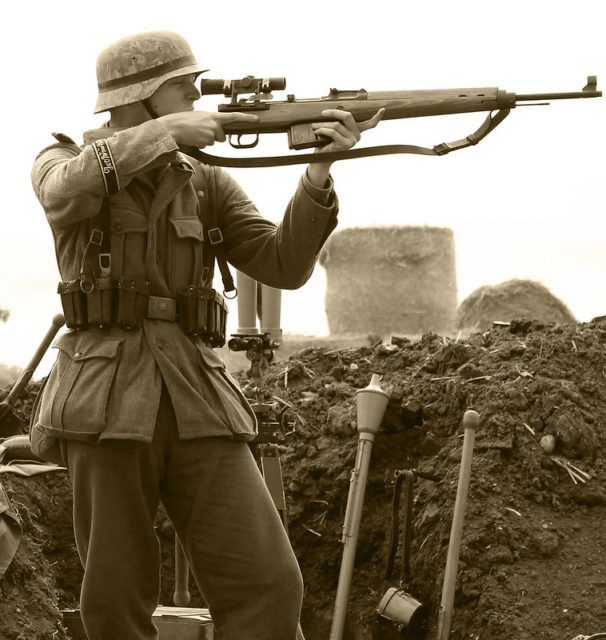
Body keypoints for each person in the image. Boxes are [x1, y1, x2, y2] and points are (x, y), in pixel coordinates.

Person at [30, 30, 382, 640]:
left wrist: (319, 172)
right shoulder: (61, 161)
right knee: (116, 597)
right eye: (183, 87)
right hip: (104, 403)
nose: (198, 96)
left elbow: (282, 264)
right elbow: (65, 193)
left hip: (198, 398)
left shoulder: (204, 179)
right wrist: (164, 136)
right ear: (139, 97)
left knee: (270, 582)